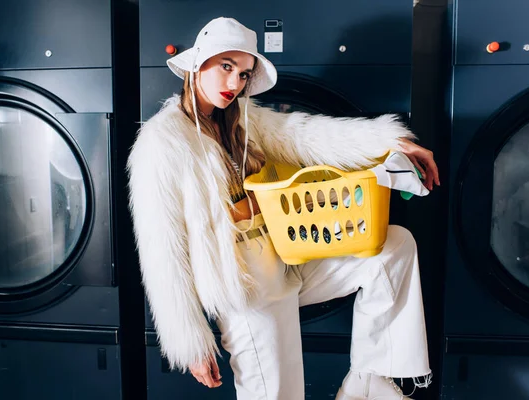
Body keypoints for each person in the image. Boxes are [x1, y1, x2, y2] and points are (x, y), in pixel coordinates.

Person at [128, 17, 440, 400]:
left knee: (392, 247)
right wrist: (190, 341)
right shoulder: (161, 141)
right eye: (226, 66)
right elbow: (162, 250)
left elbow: (308, 136)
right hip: (244, 287)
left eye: (243, 74)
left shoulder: (243, 120)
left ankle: (369, 380)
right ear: (197, 64)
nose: (234, 84)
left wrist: (393, 143)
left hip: (287, 256)